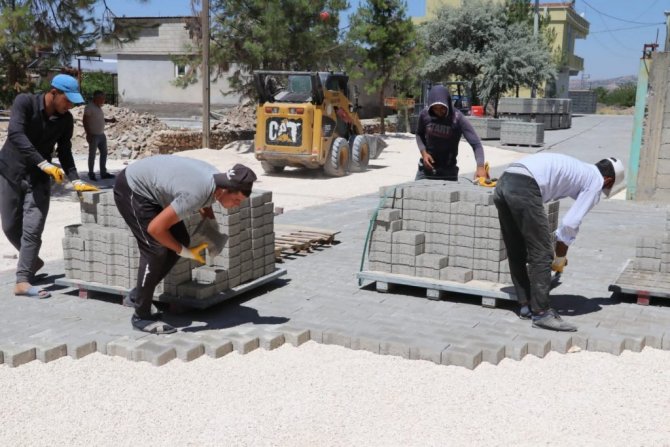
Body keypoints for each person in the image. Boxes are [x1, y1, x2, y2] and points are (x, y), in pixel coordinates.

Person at [113, 155, 257, 334]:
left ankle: (138, 296)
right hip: (132, 188)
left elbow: (206, 199)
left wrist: (210, 225)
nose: (237, 205)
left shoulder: (216, 181)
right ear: (224, 190)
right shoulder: (196, 193)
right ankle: (141, 317)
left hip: (153, 188)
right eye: (237, 200)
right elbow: (155, 229)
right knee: (155, 250)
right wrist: (184, 252)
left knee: (181, 239)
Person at [493, 153, 625, 332]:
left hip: (505, 181)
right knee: (542, 253)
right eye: (607, 187)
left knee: (516, 248)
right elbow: (570, 223)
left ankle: (525, 305)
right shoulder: (596, 181)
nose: (603, 190)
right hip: (524, 186)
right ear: (608, 180)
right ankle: (541, 314)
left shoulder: (581, 169)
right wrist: (559, 258)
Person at [0, 74, 98, 299]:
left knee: (33, 228)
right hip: (11, 172)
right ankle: (33, 261)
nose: (70, 105)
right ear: (54, 93)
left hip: (39, 179)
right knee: (10, 226)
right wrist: (43, 162)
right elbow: (16, 134)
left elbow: (65, 151)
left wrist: (76, 180)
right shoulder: (25, 102)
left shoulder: (65, 120)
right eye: (68, 100)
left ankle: (22, 280)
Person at [415, 84, 488, 181]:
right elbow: (419, 134)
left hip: (448, 171)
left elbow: (476, 144)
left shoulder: (457, 118)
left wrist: (480, 167)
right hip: (426, 169)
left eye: (442, 108)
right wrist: (424, 153)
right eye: (435, 108)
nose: (439, 112)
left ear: (448, 103)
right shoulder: (425, 114)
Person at [83, 90, 115, 181]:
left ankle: (103, 173)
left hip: (101, 135)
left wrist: (109, 120)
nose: (104, 100)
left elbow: (100, 119)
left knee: (104, 153)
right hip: (93, 135)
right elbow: (85, 121)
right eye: (102, 98)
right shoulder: (89, 107)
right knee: (92, 155)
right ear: (97, 98)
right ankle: (91, 173)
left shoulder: (98, 107)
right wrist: (88, 134)